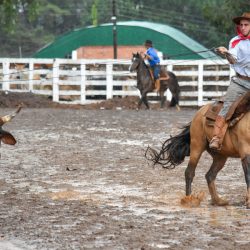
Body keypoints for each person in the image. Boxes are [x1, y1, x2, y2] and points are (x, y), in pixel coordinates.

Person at [209, 12, 250, 150]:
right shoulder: (235, 42)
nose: (243, 27)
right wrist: (226, 52)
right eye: (241, 25)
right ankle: (217, 137)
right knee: (227, 106)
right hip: (240, 82)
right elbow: (233, 59)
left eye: (246, 25)